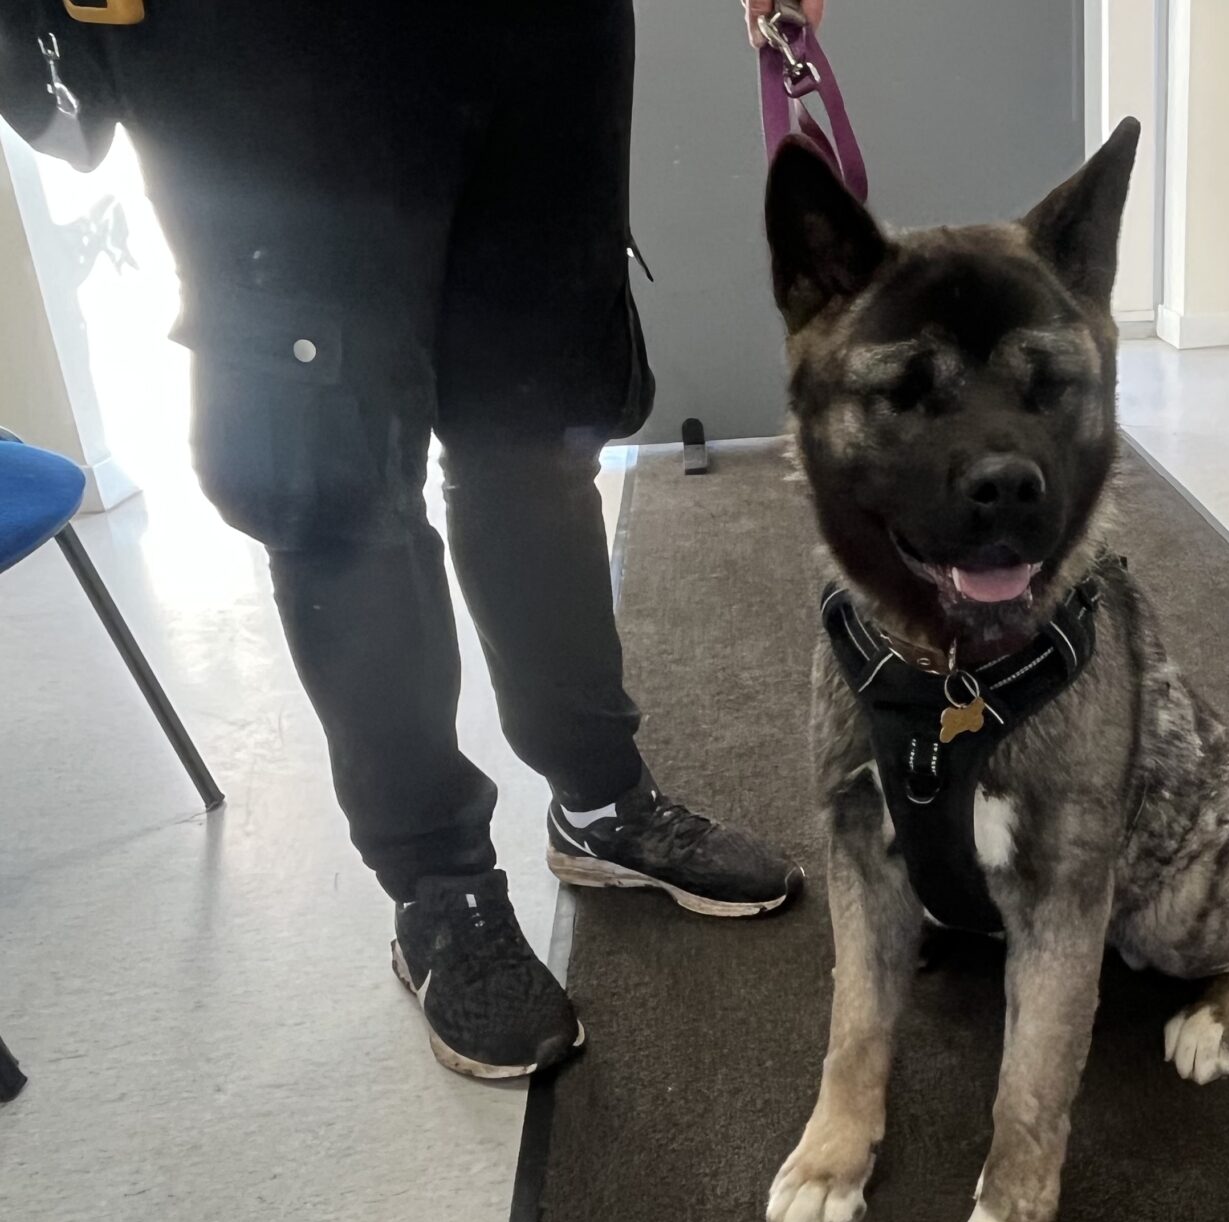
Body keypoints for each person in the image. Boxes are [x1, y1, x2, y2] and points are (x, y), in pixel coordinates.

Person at [0, 0, 824, 1080]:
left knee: (537, 429)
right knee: (335, 483)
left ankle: (599, 796)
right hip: (257, 47)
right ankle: (439, 888)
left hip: (535, 35)